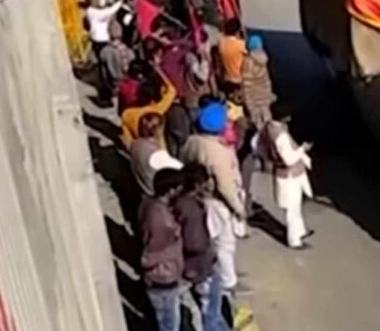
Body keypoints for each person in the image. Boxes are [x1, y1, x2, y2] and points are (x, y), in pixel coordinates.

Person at [139, 168, 199, 331]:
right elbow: (150, 254)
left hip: (166, 275)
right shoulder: (161, 221)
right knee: (169, 329)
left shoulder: (152, 206)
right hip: (163, 280)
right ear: (171, 189)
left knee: (171, 325)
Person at [176, 164, 234, 331]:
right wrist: (209, 251)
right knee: (210, 305)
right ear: (197, 184)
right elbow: (195, 242)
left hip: (194, 265)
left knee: (211, 303)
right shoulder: (192, 209)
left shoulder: (181, 203)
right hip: (201, 266)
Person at [181, 102, 247, 233]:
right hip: (217, 201)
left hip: (200, 195)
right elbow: (225, 185)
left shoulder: (191, 141)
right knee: (224, 244)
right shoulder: (218, 152)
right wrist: (239, 209)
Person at [263, 106, 313, 248]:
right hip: (289, 176)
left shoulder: (268, 128)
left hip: (282, 173)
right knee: (292, 208)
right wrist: (302, 149)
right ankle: (294, 240)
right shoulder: (281, 136)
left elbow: (258, 146)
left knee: (295, 206)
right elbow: (289, 159)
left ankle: (300, 231)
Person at [130, 112, 182, 197]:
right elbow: (181, 168)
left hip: (142, 187)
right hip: (153, 192)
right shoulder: (157, 155)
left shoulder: (135, 144)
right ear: (158, 130)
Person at [122, 68, 178, 145]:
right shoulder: (158, 109)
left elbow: (128, 140)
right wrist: (159, 71)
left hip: (140, 147)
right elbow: (172, 90)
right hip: (158, 146)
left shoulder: (127, 114)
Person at [85, 0, 124, 101]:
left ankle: (106, 87)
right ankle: (106, 90)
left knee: (105, 64)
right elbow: (108, 12)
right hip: (100, 41)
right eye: (95, 0)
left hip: (100, 40)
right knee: (106, 63)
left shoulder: (93, 12)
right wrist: (119, 3)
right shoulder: (92, 11)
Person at [242, 34, 276, 128]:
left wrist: (250, 107)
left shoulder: (248, 63)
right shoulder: (263, 58)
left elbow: (246, 87)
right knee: (268, 123)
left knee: (260, 127)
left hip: (256, 101)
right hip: (265, 97)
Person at [99, 19, 136, 103]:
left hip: (114, 83)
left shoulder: (105, 51)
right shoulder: (130, 52)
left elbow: (104, 73)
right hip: (127, 84)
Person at [216, 18, 246, 92]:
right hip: (239, 79)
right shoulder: (240, 45)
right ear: (237, 31)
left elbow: (221, 36)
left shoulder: (222, 43)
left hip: (227, 78)